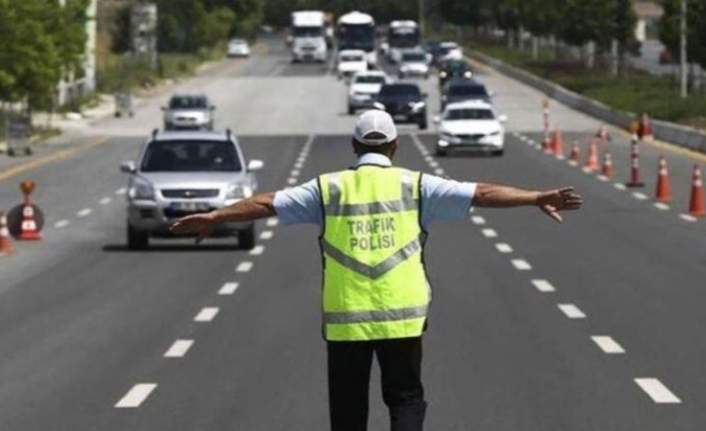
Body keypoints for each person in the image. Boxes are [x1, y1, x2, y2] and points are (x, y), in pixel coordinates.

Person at [170, 110, 583, 431]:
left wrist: (216, 217)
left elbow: (266, 203)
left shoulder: (327, 189)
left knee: (349, 410)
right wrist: (534, 197)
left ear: (353, 145)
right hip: (402, 317)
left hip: (346, 320)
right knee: (405, 400)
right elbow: (482, 193)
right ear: (395, 146)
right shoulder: (417, 185)